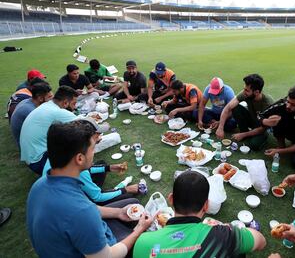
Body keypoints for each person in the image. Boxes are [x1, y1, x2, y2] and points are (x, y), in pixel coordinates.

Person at [27, 120, 153, 257]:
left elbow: (87, 208)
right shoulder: (81, 212)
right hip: (103, 252)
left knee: (131, 205)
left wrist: (118, 213)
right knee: (144, 244)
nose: (94, 153)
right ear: (80, 158)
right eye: (93, 148)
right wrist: (139, 230)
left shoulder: (40, 184)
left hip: (81, 238)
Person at [133, 171, 266, 257]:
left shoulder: (142, 242)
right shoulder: (224, 235)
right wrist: (230, 229)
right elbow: (261, 241)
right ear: (206, 205)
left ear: (171, 199)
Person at [20, 86, 78, 174]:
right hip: (39, 162)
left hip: (30, 158)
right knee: (80, 142)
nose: (75, 107)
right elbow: (86, 125)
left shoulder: (47, 105)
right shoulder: (57, 112)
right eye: (74, 104)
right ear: (65, 103)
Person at [216, 74, 274, 151]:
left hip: (262, 126)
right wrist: (220, 128)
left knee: (254, 145)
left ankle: (251, 135)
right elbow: (228, 108)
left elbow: (262, 128)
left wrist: (243, 135)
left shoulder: (267, 103)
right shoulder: (245, 94)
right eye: (244, 89)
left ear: (256, 92)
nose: (244, 92)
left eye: (246, 90)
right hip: (252, 119)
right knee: (235, 107)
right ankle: (244, 131)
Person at [10, 82, 53, 148]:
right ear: (40, 98)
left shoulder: (27, 101)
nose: (52, 99)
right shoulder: (31, 111)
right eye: (49, 97)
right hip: (29, 148)